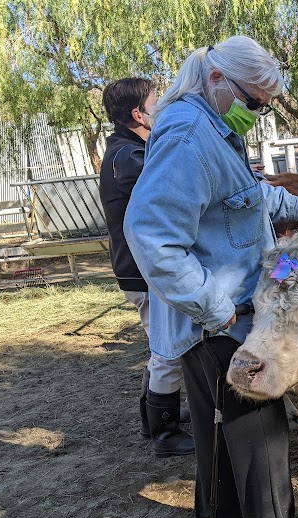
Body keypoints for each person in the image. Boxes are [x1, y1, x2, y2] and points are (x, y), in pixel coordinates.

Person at [123, 37, 298, 518]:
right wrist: (218, 310)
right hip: (224, 321)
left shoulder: (212, 129)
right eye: (255, 102)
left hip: (229, 313)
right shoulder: (191, 137)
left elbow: (245, 197)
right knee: (263, 432)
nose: (257, 113)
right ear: (217, 78)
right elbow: (151, 236)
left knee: (219, 436)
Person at [99, 77, 195, 457]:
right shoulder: (133, 159)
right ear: (139, 114)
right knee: (168, 351)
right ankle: (164, 432)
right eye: (158, 102)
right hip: (144, 270)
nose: (164, 107)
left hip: (141, 268)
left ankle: (154, 417)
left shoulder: (129, 152)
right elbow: (176, 187)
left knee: (163, 347)